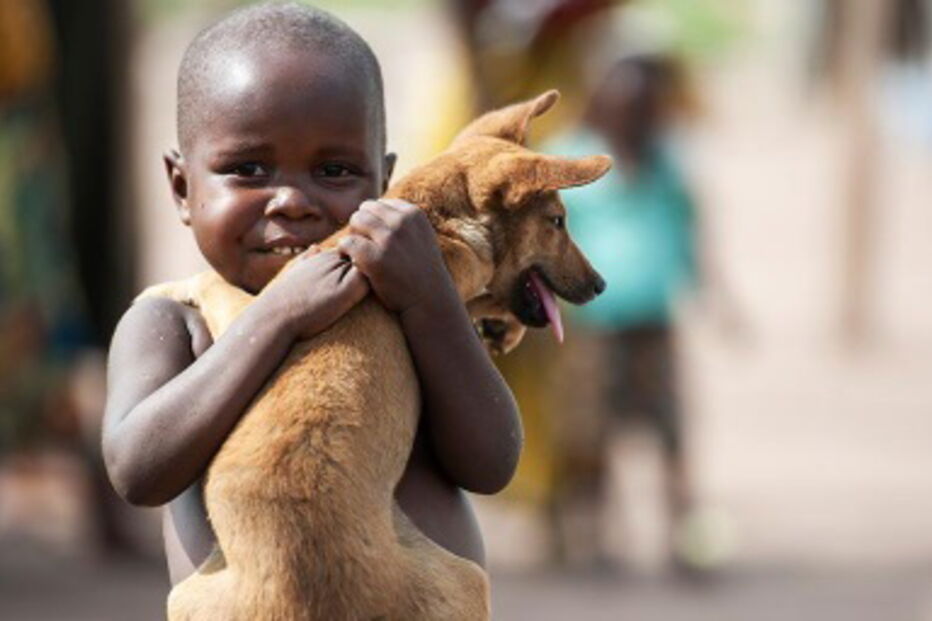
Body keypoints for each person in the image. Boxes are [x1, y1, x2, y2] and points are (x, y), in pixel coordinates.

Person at [101, 1, 521, 586]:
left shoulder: (406, 303)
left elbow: (490, 464)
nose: (293, 202)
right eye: (249, 169)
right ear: (181, 187)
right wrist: (279, 316)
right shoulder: (174, 320)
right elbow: (137, 471)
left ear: (384, 182)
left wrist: (430, 301)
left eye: (334, 172)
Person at [545, 54, 706, 570]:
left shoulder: (667, 162)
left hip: (654, 321)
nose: (634, 118)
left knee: (670, 432)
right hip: (593, 326)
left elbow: (690, 226)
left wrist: (710, 290)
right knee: (589, 434)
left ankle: (685, 540)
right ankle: (588, 540)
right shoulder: (571, 162)